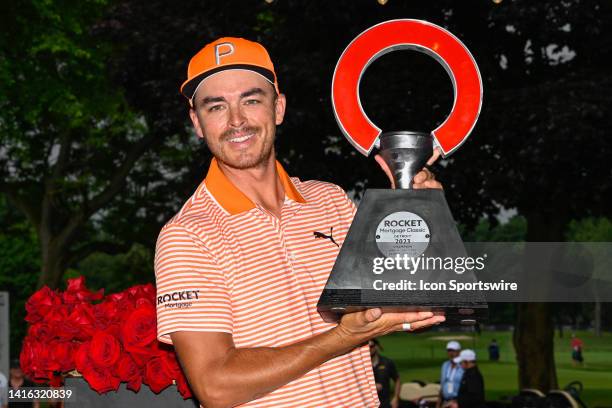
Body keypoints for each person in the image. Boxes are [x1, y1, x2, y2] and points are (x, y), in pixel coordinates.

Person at [154, 37, 445, 407]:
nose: (237, 120)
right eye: (216, 107)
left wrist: (414, 210)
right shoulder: (187, 236)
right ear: (197, 122)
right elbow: (216, 386)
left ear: (279, 107)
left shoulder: (331, 201)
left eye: (251, 100)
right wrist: (342, 337)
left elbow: (405, 291)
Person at [369, 339, 401, 408]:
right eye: (366, 347)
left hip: (385, 403)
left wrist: (396, 398)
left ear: (377, 347)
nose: (369, 349)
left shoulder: (387, 362)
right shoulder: (361, 365)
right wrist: (372, 386)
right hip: (368, 403)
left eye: (371, 346)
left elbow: (397, 379)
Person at [437, 341, 463, 408]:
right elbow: (442, 385)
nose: (451, 353)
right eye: (449, 350)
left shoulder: (463, 366)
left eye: (453, 351)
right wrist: (438, 404)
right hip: (446, 402)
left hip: (458, 403)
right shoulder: (445, 365)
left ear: (459, 351)